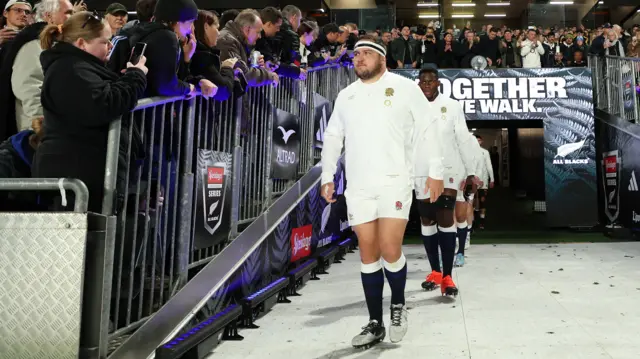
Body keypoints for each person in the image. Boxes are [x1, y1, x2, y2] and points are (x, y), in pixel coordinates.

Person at [321, 37, 444, 348]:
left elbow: (430, 126)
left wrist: (436, 172)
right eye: (355, 55)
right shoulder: (346, 96)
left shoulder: (404, 88)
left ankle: (398, 306)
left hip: (394, 181)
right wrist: (327, 175)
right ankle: (375, 322)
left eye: (365, 54)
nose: (358, 59)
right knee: (368, 252)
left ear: (382, 58)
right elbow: (333, 136)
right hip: (359, 186)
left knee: (390, 249)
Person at [33, 11, 148, 213]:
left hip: (84, 172)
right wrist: (136, 76)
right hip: (76, 176)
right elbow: (105, 104)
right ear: (81, 43)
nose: (110, 46)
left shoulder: (78, 67)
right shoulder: (69, 69)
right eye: (104, 42)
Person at [415, 68, 478, 283]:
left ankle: (448, 275)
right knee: (427, 220)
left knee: (445, 216)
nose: (427, 85)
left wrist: (471, 173)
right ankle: (435, 271)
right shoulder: (411, 107)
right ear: (418, 83)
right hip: (421, 171)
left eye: (431, 81)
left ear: (438, 83)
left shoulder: (451, 106)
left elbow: (463, 139)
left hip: (449, 169)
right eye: (423, 81)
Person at [191, 10, 237, 101]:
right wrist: (227, 68)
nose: (219, 33)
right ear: (206, 27)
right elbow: (223, 90)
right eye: (217, 28)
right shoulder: (201, 56)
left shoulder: (202, 53)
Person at [474, 135, 494, 230]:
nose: (477, 142)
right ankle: (472, 223)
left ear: (481, 141)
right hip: (473, 182)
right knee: (472, 202)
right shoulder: (468, 152)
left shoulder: (485, 152)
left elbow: (489, 166)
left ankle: (482, 222)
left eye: (479, 140)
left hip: (484, 181)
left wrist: (492, 179)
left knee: (482, 202)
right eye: (475, 140)